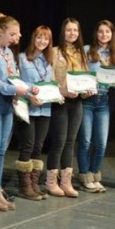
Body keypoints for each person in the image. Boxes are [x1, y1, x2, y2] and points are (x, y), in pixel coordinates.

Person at [0, 12, 26, 209]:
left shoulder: (8, 52)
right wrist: (14, 88)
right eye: (13, 34)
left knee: (1, 150)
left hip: (8, 103)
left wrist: (24, 87)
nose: (17, 38)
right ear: (1, 31)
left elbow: (13, 75)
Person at [45, 18, 89, 198]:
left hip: (77, 103)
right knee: (59, 141)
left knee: (71, 141)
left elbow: (86, 77)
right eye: (69, 30)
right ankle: (51, 182)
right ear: (63, 32)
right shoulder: (54, 52)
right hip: (60, 101)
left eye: (75, 31)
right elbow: (49, 79)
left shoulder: (81, 54)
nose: (72, 33)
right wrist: (62, 91)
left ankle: (66, 181)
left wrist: (87, 90)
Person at [77, 20, 115, 193]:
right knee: (85, 141)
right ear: (96, 33)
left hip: (103, 101)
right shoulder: (87, 50)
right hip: (87, 100)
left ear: (112, 34)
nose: (104, 35)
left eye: (107, 32)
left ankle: (94, 174)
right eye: (101, 32)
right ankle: (84, 176)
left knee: (101, 142)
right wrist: (83, 89)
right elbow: (79, 74)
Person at [16, 26, 55, 201]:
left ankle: (34, 184)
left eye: (46, 39)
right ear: (33, 38)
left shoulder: (49, 61)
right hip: (27, 108)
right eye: (39, 37)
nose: (42, 41)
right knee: (28, 145)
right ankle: (24, 186)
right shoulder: (23, 59)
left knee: (39, 146)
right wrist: (30, 96)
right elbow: (18, 82)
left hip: (45, 109)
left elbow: (50, 85)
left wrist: (55, 95)